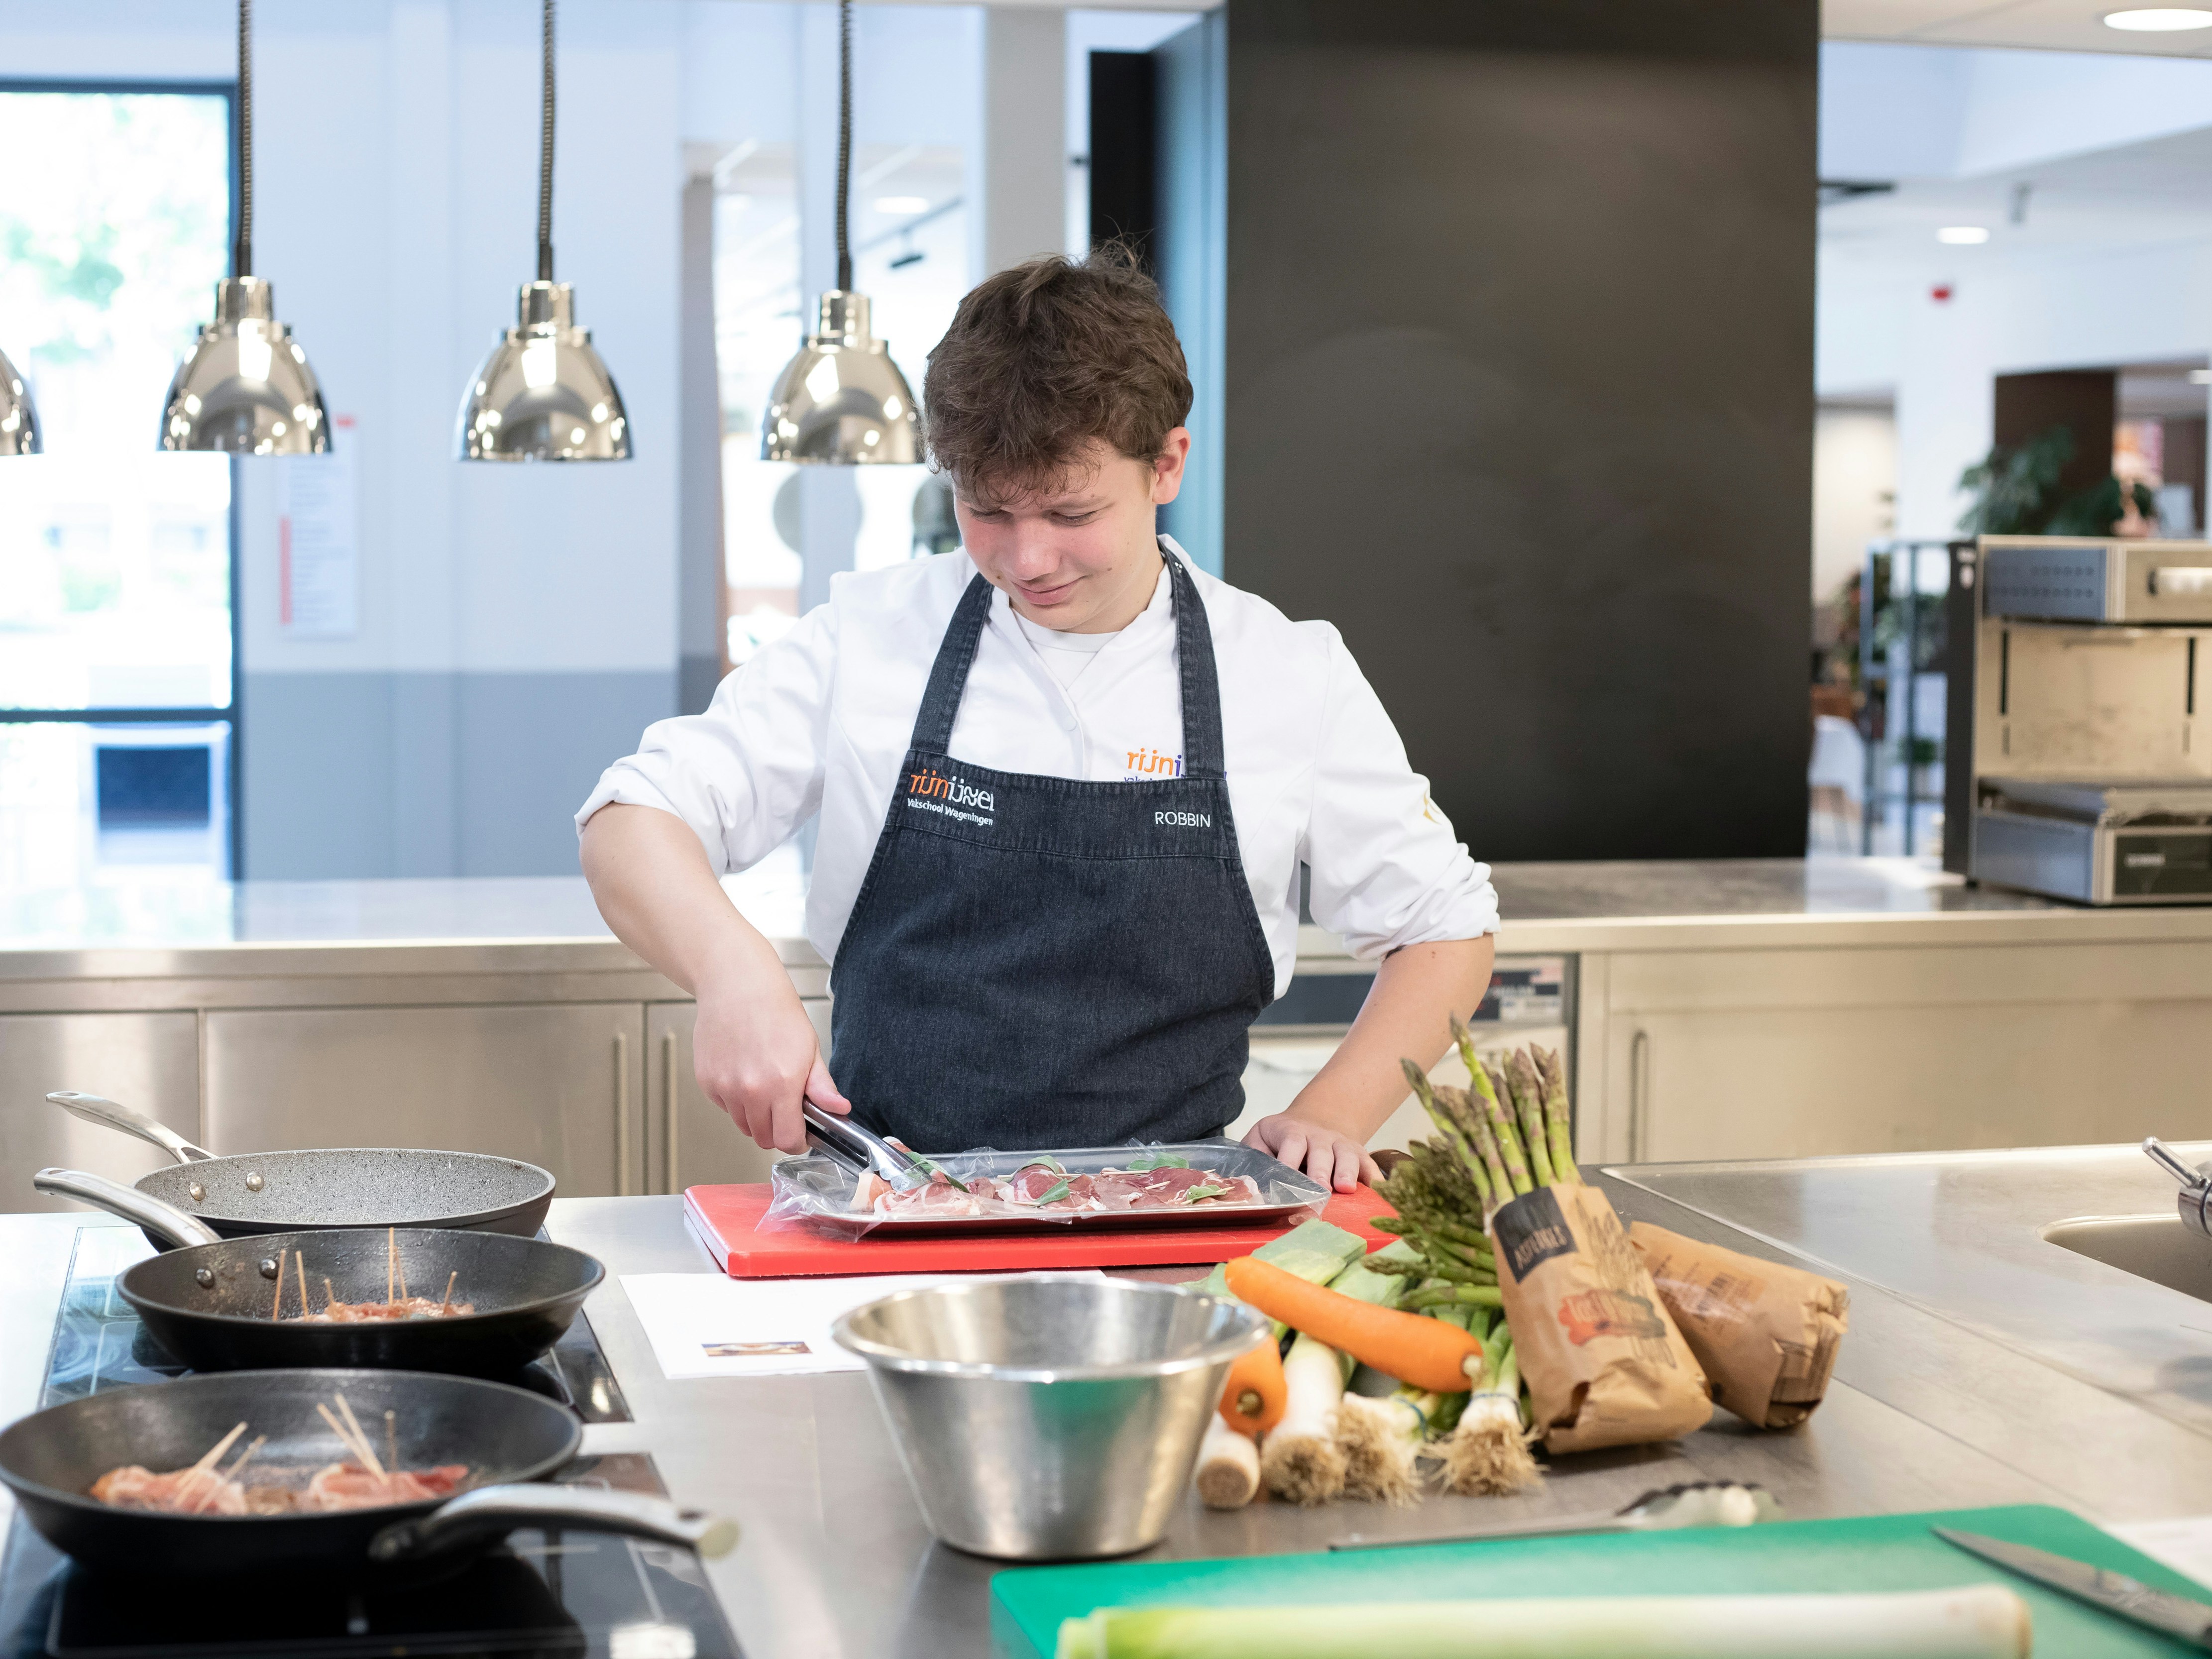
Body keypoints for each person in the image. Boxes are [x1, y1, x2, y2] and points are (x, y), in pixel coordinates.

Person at [576, 249, 1498, 1192]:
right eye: (987, 508)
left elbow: (1446, 926)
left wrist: (1332, 1112)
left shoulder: (1283, 672)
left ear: (1166, 463)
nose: (1028, 556)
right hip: (890, 1212)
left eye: (1070, 509)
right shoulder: (873, 636)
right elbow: (633, 815)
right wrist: (733, 972)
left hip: (1172, 1226)